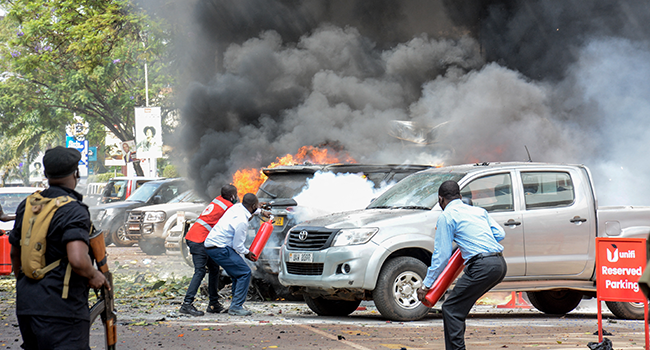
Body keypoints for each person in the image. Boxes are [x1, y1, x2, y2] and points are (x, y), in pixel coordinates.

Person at [8, 146, 109, 350]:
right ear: (76, 173)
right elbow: (78, 260)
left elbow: (14, 253)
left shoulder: (28, 205)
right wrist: (94, 275)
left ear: (46, 174)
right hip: (62, 308)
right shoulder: (73, 210)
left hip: (28, 305)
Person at [417, 180, 507, 350]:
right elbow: (500, 233)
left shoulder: (446, 216)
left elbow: (442, 256)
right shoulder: (479, 211)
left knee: (451, 309)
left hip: (482, 266)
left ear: (440, 200)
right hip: (499, 264)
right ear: (460, 196)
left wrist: (426, 284)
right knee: (456, 308)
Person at [204, 193, 268, 316]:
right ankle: (236, 307)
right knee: (244, 272)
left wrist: (261, 212)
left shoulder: (237, 207)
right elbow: (238, 246)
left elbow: (250, 210)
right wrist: (249, 253)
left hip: (213, 245)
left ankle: (235, 305)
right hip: (220, 248)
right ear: (253, 205)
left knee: (237, 273)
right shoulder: (242, 222)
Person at [179, 184, 238, 316]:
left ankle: (213, 304)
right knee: (200, 271)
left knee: (214, 269)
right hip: (199, 239)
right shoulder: (228, 207)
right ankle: (186, 305)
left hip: (198, 237)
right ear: (232, 196)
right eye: (236, 194)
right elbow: (241, 215)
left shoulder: (218, 200)